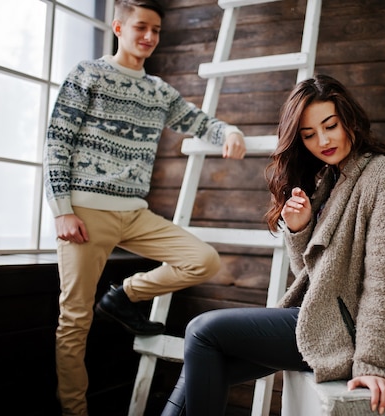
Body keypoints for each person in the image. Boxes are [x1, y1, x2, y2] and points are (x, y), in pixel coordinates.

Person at [161, 74, 385, 416]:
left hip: (348, 329)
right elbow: (309, 273)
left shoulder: (382, 177)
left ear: (349, 119)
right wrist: (300, 229)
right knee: (204, 361)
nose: (322, 140)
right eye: (309, 135)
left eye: (330, 125)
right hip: (325, 316)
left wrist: (372, 363)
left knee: (201, 330)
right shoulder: (332, 178)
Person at [43, 1, 247, 414]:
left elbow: (202, 123)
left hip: (135, 214)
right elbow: (57, 142)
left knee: (203, 260)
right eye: (141, 28)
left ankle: (123, 296)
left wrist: (230, 130)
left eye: (156, 30)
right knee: (74, 320)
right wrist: (62, 209)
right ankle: (74, 411)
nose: (150, 37)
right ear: (119, 26)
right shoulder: (89, 74)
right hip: (85, 212)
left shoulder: (158, 92)